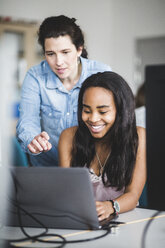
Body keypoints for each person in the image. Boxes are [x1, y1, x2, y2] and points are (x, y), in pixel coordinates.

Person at [16, 15, 111, 166]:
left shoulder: (101, 73)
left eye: (65, 52)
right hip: (47, 167)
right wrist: (33, 139)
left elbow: (114, 120)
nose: (58, 62)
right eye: (51, 54)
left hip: (91, 166)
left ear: (79, 49)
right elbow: (28, 119)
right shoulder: (35, 76)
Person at [58, 71, 146, 221]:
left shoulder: (139, 137)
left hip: (124, 221)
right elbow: (67, 191)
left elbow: (133, 195)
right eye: (86, 110)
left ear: (121, 110)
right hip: (80, 220)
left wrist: (110, 207)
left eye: (103, 111)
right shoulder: (69, 137)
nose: (93, 119)